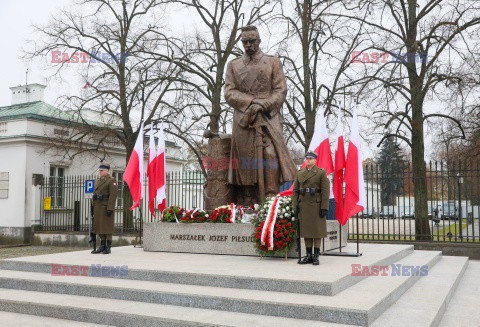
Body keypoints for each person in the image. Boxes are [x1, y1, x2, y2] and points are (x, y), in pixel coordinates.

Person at [225, 25, 297, 205]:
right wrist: (251, 102)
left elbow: (281, 90)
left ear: (259, 41)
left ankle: (270, 198)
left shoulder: (272, 62)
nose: (248, 45)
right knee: (245, 159)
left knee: (271, 155)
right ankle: (248, 199)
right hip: (244, 117)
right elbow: (229, 93)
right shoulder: (233, 65)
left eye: (252, 41)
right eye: (245, 42)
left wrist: (265, 104)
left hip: (268, 115)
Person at [292, 152, 330, 265]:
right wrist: (295, 205)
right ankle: (308, 255)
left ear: (315, 160)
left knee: (316, 232)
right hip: (304, 205)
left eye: (310, 158)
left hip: (316, 206)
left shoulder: (321, 173)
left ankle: (316, 255)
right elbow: (295, 191)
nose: (308, 160)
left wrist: (324, 207)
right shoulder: (300, 173)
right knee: (306, 231)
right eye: (307, 158)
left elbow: (325, 192)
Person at [91, 163, 118, 254]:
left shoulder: (111, 180)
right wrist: (92, 205)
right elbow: (94, 194)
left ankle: (108, 246)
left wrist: (110, 208)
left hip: (106, 207)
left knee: (107, 227)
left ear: (107, 171)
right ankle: (102, 245)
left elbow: (113, 195)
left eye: (102, 170)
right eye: (100, 170)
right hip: (98, 207)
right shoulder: (97, 180)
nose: (100, 172)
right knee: (99, 227)